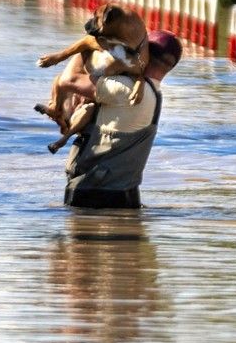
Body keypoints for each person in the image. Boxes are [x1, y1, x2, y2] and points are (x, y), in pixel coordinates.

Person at [64, 30, 182, 209]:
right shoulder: (153, 93)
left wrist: (88, 42)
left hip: (95, 197)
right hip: (123, 196)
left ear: (143, 55)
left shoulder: (126, 89)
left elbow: (69, 79)